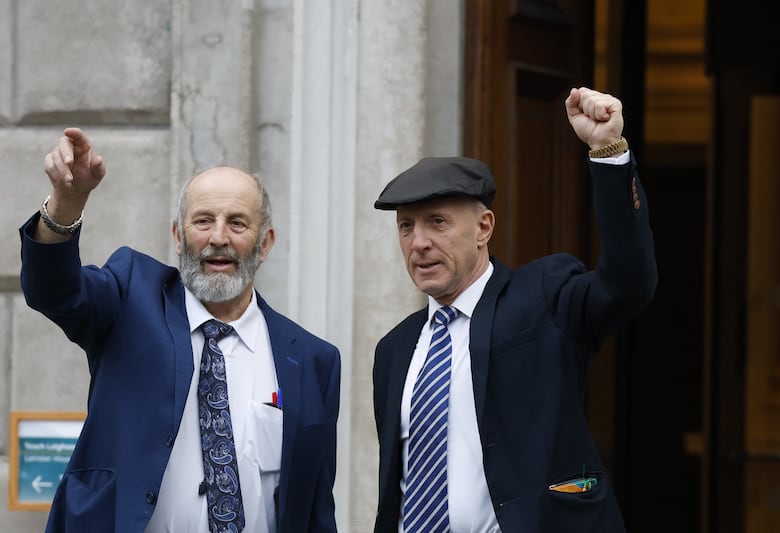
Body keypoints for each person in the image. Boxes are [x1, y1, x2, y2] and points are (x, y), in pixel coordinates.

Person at [19, 128, 341, 533]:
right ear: (177, 235)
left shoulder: (313, 360)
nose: (218, 238)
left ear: (265, 244)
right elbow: (53, 290)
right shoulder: (130, 298)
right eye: (202, 221)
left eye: (237, 224)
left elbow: (313, 508)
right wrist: (67, 203)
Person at [371, 87, 657, 533]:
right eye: (406, 226)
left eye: (437, 222)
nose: (419, 242)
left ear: (484, 227)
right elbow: (397, 488)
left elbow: (629, 282)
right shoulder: (395, 350)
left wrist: (608, 152)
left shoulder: (543, 297)